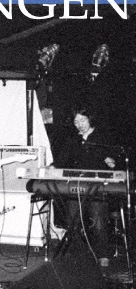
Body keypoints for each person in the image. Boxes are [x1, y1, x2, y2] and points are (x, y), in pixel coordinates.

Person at [53, 106, 117, 262]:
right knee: (72, 221)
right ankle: (80, 254)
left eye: (82, 120)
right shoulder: (73, 140)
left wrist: (111, 161)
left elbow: (114, 161)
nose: (79, 124)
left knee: (98, 221)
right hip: (76, 185)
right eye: (76, 122)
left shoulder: (102, 138)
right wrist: (50, 168)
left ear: (90, 119)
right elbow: (61, 161)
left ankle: (103, 254)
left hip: (97, 186)